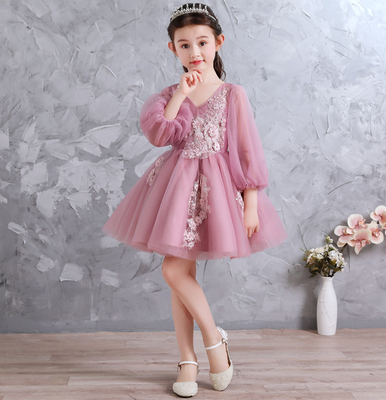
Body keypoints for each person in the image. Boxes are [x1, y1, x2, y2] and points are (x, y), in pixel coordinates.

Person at [103, 3, 287, 397]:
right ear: (173, 49)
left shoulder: (233, 94)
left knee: (176, 273)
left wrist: (251, 204)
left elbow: (246, 151)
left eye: (202, 42)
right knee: (177, 273)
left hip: (216, 190)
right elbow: (161, 134)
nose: (194, 51)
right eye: (184, 45)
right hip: (175, 189)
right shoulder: (170, 95)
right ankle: (200, 350)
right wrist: (181, 94)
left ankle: (200, 352)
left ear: (218, 42)